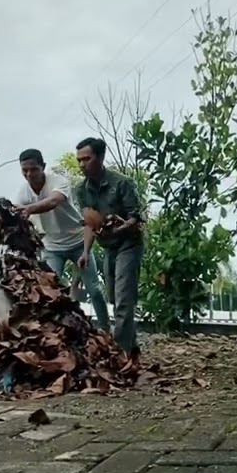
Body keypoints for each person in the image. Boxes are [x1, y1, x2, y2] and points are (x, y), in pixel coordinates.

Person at [14, 148, 112, 332]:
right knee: (49, 290)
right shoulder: (23, 192)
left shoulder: (59, 182)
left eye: (33, 169)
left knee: (94, 289)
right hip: (51, 247)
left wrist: (28, 209)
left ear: (43, 167)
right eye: (24, 170)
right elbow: (17, 213)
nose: (29, 174)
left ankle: (106, 329)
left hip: (78, 242)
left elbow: (53, 201)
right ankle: (54, 331)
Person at [72, 136, 144, 359]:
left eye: (87, 159)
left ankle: (120, 354)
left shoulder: (122, 183)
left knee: (124, 298)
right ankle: (132, 348)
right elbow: (89, 224)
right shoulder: (81, 190)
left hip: (129, 244)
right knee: (114, 296)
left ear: (101, 157)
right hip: (109, 247)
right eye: (79, 160)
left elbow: (136, 218)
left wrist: (118, 228)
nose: (83, 164)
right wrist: (85, 252)